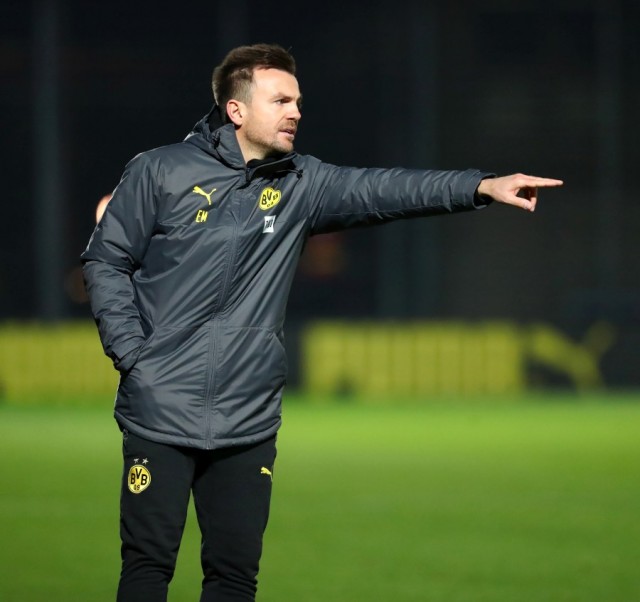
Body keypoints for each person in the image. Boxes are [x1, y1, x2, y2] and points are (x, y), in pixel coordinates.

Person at [81, 43, 563, 602]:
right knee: (148, 569)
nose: (296, 112)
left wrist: (481, 186)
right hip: (161, 408)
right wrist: (133, 355)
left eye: (298, 102)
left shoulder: (300, 183)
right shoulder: (160, 170)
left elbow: (386, 189)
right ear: (236, 110)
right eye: (281, 101)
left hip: (247, 416)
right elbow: (105, 261)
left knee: (234, 578)